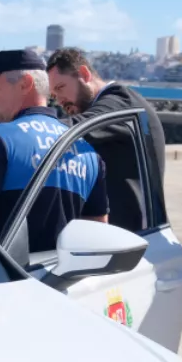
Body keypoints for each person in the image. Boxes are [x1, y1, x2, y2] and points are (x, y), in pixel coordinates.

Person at [0, 48, 108, 252]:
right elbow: (98, 241)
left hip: (7, 279)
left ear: (25, 84)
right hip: (61, 279)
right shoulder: (87, 153)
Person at [45, 47, 167, 231]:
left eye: (61, 88)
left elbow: (75, 127)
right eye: (53, 95)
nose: (59, 100)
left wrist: (16, 134)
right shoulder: (113, 104)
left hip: (135, 237)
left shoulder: (121, 100)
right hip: (125, 233)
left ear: (84, 74)